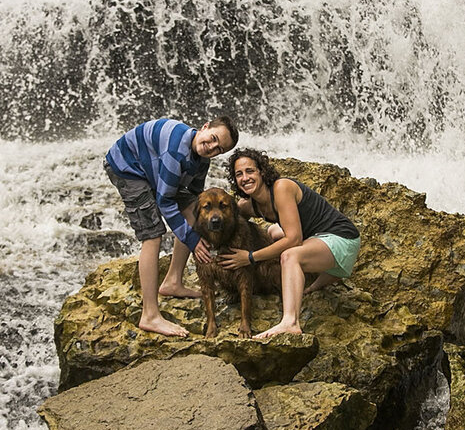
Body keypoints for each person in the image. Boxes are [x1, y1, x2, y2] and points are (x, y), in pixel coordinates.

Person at [104, 116, 239, 337]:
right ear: (204, 127)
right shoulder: (176, 151)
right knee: (153, 235)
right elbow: (164, 201)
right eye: (213, 138)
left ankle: (173, 281)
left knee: (194, 214)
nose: (212, 147)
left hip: (152, 166)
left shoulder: (202, 158)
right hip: (127, 167)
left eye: (219, 149)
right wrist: (193, 241)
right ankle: (149, 315)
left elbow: (196, 198)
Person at [218, 148, 360, 339]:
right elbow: (228, 222)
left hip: (342, 238)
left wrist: (250, 258)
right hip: (316, 239)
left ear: (262, 171)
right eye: (239, 174)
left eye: (250, 171)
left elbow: (294, 240)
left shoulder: (281, 188)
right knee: (272, 232)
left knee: (289, 255)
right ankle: (325, 276)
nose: (245, 178)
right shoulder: (249, 205)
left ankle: (290, 322)